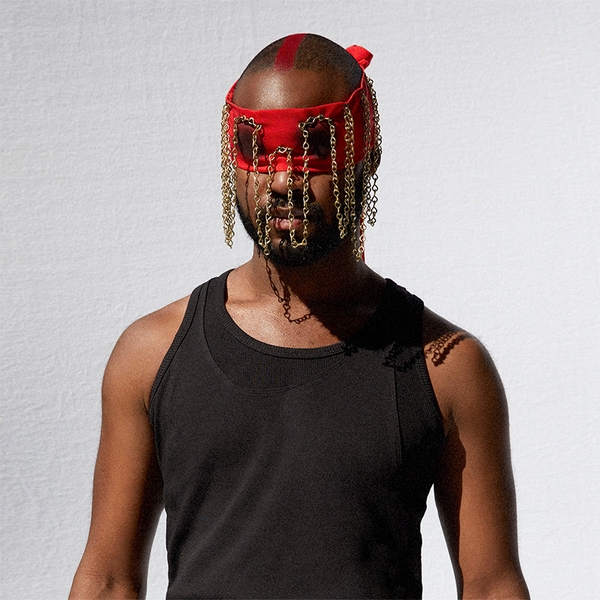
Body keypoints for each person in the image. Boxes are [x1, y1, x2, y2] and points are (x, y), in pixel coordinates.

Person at [69, 33, 529, 599]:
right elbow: (108, 580)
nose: (284, 180)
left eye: (315, 148)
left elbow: (491, 586)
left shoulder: (447, 367)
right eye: (258, 149)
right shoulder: (151, 354)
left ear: (366, 155)